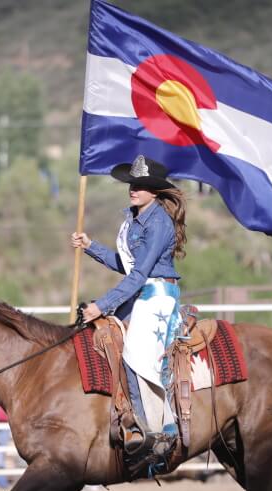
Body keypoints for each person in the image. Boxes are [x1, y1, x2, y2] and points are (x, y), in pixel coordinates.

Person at [71, 155, 188, 448]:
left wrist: (103, 305)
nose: (133, 189)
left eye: (141, 185)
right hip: (141, 291)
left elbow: (139, 274)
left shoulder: (159, 222)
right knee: (102, 336)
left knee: (136, 353)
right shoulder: (135, 219)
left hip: (157, 295)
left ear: (155, 191)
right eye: (132, 184)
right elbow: (126, 264)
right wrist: (90, 247)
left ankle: (159, 428)